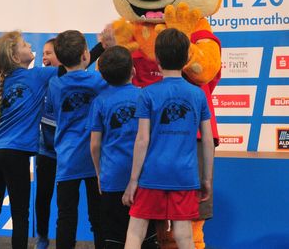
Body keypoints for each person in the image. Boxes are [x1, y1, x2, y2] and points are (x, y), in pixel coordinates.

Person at [122, 29, 214, 249]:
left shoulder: (147, 94)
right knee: (184, 236)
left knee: (135, 232)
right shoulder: (198, 94)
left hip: (152, 174)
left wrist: (133, 180)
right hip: (185, 175)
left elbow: (142, 140)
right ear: (186, 59)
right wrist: (207, 179)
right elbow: (208, 141)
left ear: (158, 59)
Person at [0, 31, 58, 249]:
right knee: (20, 213)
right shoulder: (37, 76)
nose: (30, 44)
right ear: (14, 57)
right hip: (14, 153)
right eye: (23, 44)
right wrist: (99, 50)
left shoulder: (6, 83)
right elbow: (72, 66)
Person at [47, 30, 107, 249]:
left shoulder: (55, 84)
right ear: (85, 54)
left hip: (67, 158)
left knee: (66, 217)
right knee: (98, 217)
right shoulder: (100, 81)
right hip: (95, 159)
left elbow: (53, 108)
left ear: (60, 60)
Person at [88, 45, 139, 248]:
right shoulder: (145, 96)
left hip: (111, 177)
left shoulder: (100, 101)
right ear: (133, 71)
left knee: (114, 236)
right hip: (141, 178)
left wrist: (99, 173)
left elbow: (94, 145)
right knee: (143, 234)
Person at [34, 38, 60, 249]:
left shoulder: (73, 79)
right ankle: (42, 236)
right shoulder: (41, 78)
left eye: (49, 53)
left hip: (68, 152)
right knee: (43, 196)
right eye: (43, 53)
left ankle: (65, 238)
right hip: (46, 150)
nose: (44, 57)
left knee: (66, 200)